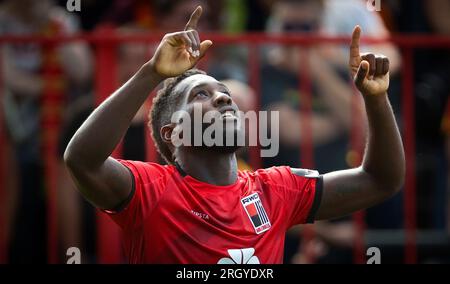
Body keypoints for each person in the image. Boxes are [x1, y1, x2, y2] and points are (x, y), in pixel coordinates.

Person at [64, 6, 405, 264]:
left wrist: (375, 99)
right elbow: (82, 161)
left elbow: (380, 180)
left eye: (223, 92)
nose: (223, 98)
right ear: (173, 133)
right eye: (200, 95)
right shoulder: (151, 190)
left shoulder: (277, 190)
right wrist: (151, 73)